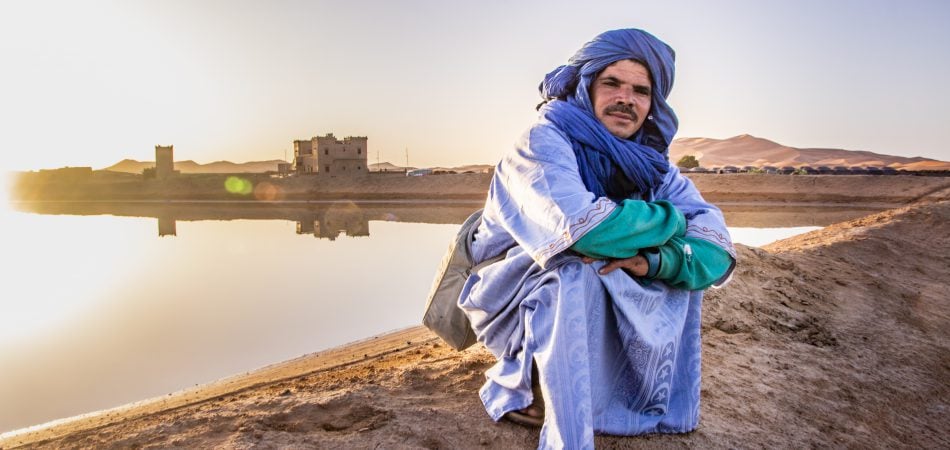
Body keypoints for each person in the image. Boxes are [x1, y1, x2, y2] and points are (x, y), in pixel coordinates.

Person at [458, 28, 737, 448]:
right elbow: (585, 230)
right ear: (586, 86)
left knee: (682, 274)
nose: (626, 98)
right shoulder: (542, 141)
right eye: (612, 84)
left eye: (641, 90)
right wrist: (672, 222)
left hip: (591, 275)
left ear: (652, 103)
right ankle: (533, 386)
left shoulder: (652, 165)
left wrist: (656, 262)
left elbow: (716, 248)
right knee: (574, 269)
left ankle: (628, 396)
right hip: (507, 294)